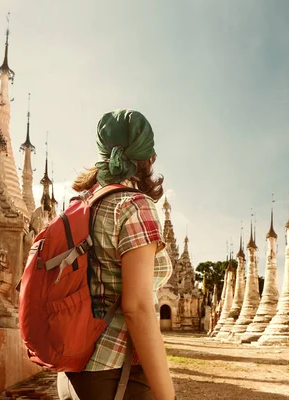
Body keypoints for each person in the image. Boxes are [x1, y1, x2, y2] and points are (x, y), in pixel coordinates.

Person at [57, 109, 176, 400]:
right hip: (114, 374)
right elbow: (137, 308)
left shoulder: (80, 205)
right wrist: (166, 394)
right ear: (147, 157)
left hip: (70, 371)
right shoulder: (135, 205)